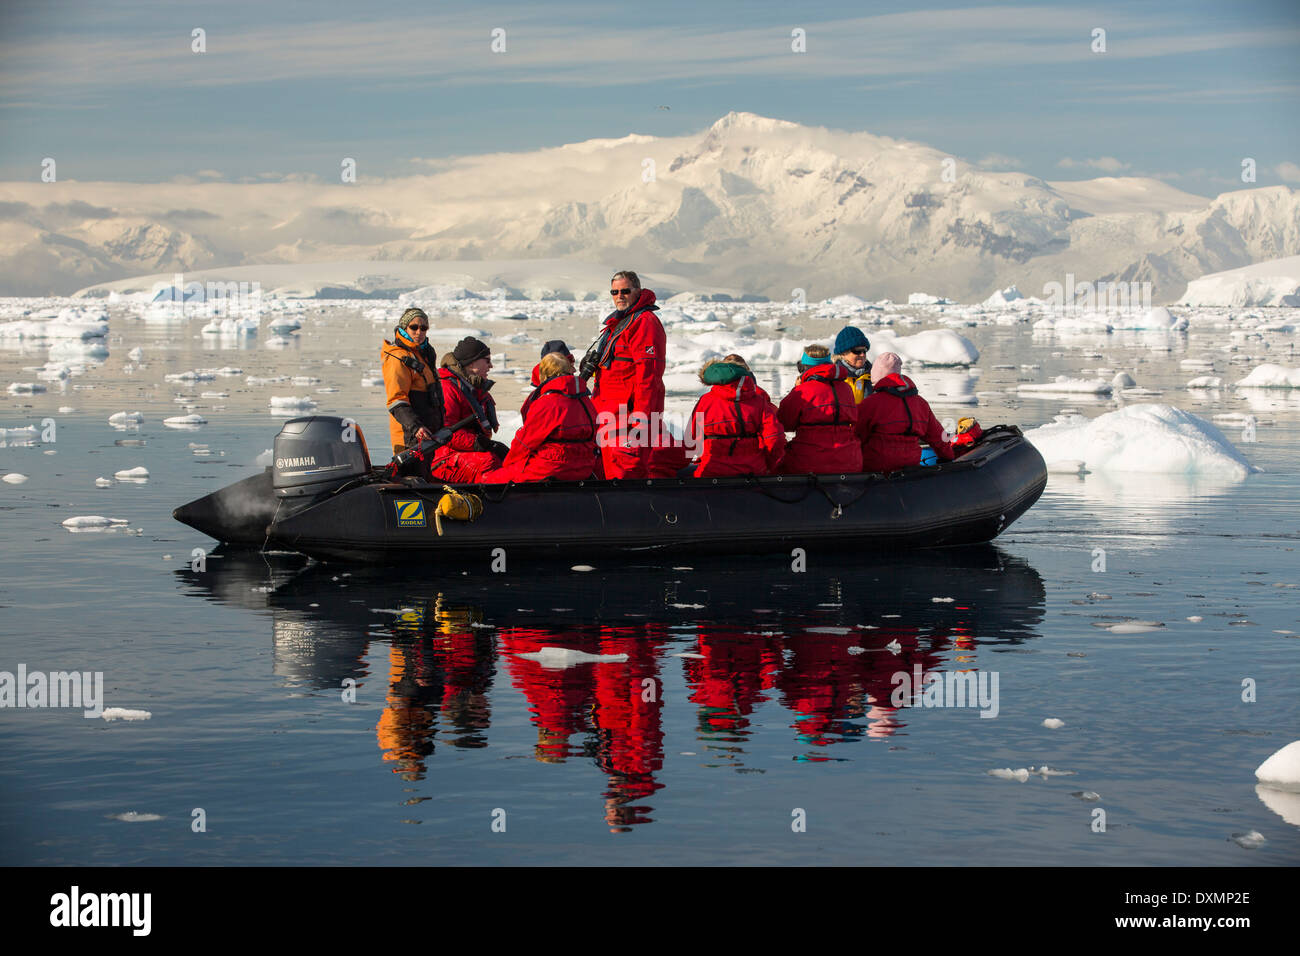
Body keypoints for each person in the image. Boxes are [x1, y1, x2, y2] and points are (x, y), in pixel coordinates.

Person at [581, 270, 666, 478]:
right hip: (608, 416)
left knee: (626, 474)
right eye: (614, 291)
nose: (619, 296)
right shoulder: (619, 323)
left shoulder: (644, 322)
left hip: (628, 420)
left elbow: (649, 377)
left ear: (637, 291)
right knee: (608, 474)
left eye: (625, 291)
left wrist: (641, 421)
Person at [481, 352, 601, 483]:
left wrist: (508, 464)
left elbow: (525, 442)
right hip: (584, 466)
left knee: (492, 480)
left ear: (545, 375)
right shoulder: (585, 400)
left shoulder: (548, 402)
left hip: (553, 466)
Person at [855, 352, 957, 472]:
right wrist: (949, 459)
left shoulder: (870, 403)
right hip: (911, 465)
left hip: (876, 468)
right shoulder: (921, 403)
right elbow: (939, 437)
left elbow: (855, 436)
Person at [687, 358, 785, 477]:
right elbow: (775, 438)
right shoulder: (759, 402)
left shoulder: (705, 402)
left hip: (711, 471)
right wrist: (770, 465)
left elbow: (691, 441)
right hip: (752, 471)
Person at [428, 336, 507, 483]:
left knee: (509, 461)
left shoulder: (473, 389)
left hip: (463, 453)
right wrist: (480, 443)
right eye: (487, 361)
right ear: (472, 363)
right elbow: (445, 432)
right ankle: (492, 503)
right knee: (489, 462)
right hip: (444, 459)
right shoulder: (448, 388)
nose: (491, 366)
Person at [777, 350, 862, 475]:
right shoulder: (847, 389)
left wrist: (796, 390)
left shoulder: (803, 391)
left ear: (805, 368)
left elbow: (784, 423)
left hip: (808, 462)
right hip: (849, 461)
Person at [381, 307, 445, 455]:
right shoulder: (398, 358)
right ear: (404, 328)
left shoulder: (424, 354)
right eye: (414, 327)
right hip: (409, 436)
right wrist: (416, 427)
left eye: (423, 328)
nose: (419, 332)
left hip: (428, 435)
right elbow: (396, 400)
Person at [832, 327, 872, 402]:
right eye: (857, 351)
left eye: (864, 351)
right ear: (843, 353)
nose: (862, 355)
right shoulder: (833, 377)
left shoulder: (874, 376)